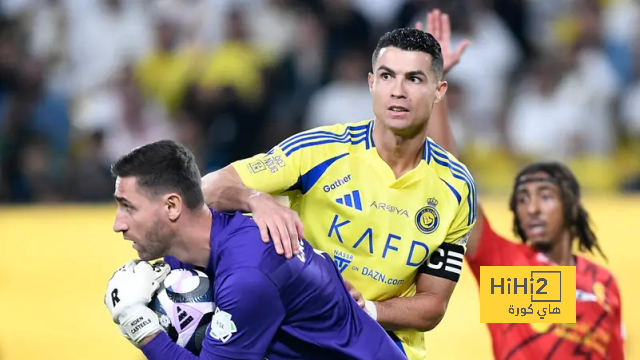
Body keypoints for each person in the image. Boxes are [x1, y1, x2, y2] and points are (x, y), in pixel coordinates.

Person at [200, 24, 474, 360]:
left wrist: (367, 308)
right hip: (297, 334)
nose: (397, 91)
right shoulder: (319, 150)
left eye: (414, 79)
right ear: (372, 83)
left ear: (439, 90)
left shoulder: (457, 187)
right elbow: (207, 188)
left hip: (380, 342)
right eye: (387, 76)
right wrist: (255, 200)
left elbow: (433, 305)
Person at [423, 10, 626, 360]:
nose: (531, 206)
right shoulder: (504, 264)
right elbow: (452, 182)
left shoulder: (602, 283)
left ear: (571, 207)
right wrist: (438, 84)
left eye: (545, 196)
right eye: (523, 198)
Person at [103, 140, 407, 360]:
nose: (118, 225)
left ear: (172, 206)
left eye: (128, 207)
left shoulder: (249, 274)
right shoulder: (194, 250)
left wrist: (140, 325)